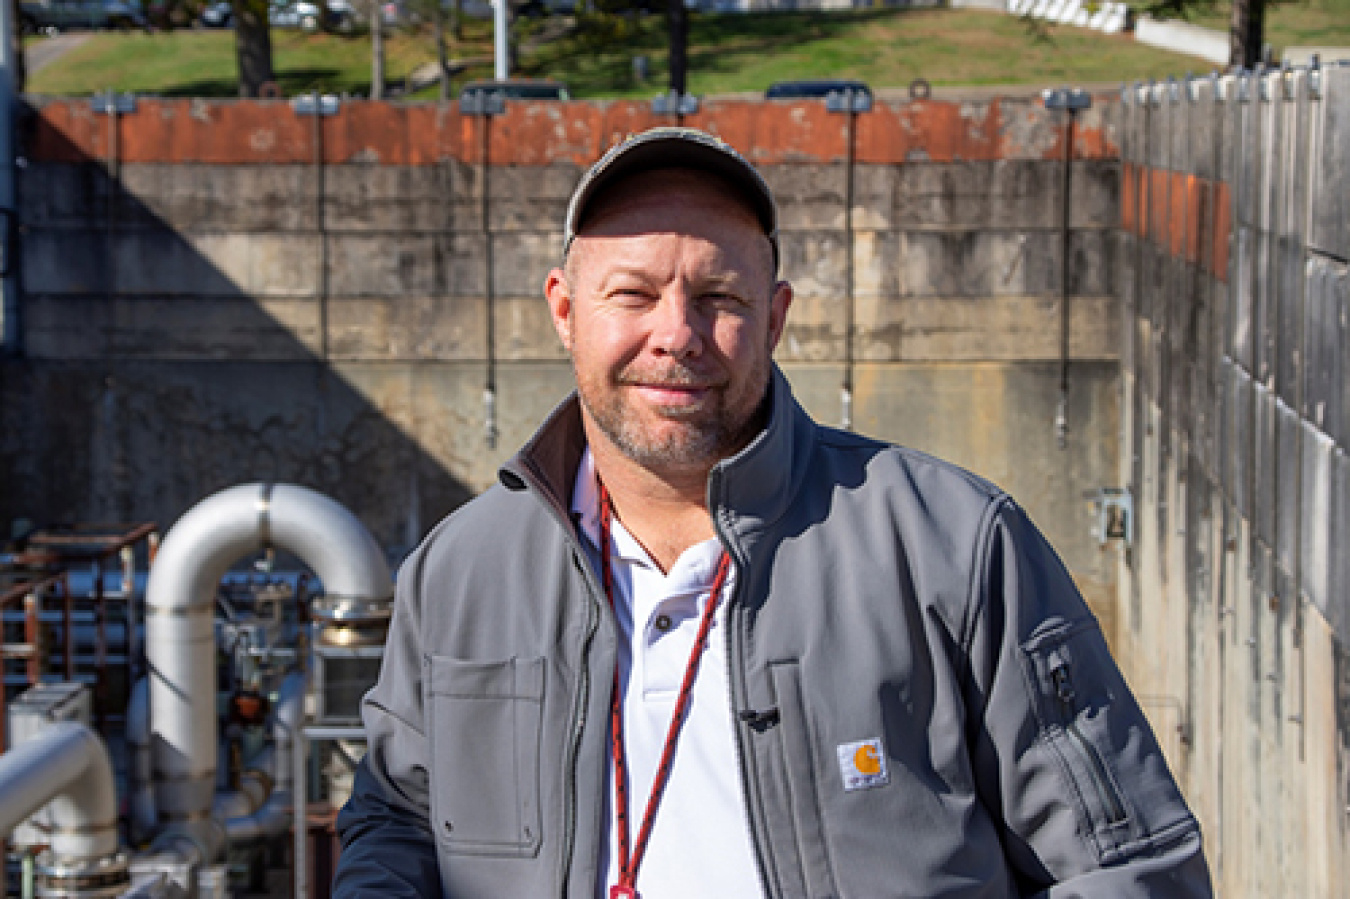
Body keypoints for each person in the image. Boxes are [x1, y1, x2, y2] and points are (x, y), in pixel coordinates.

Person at [333, 127, 1213, 898]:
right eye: (633, 295)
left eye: (719, 298)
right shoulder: (460, 569)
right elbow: (400, 816)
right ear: (565, 309)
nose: (676, 333)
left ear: (777, 316)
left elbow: (1127, 863)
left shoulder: (951, 544)